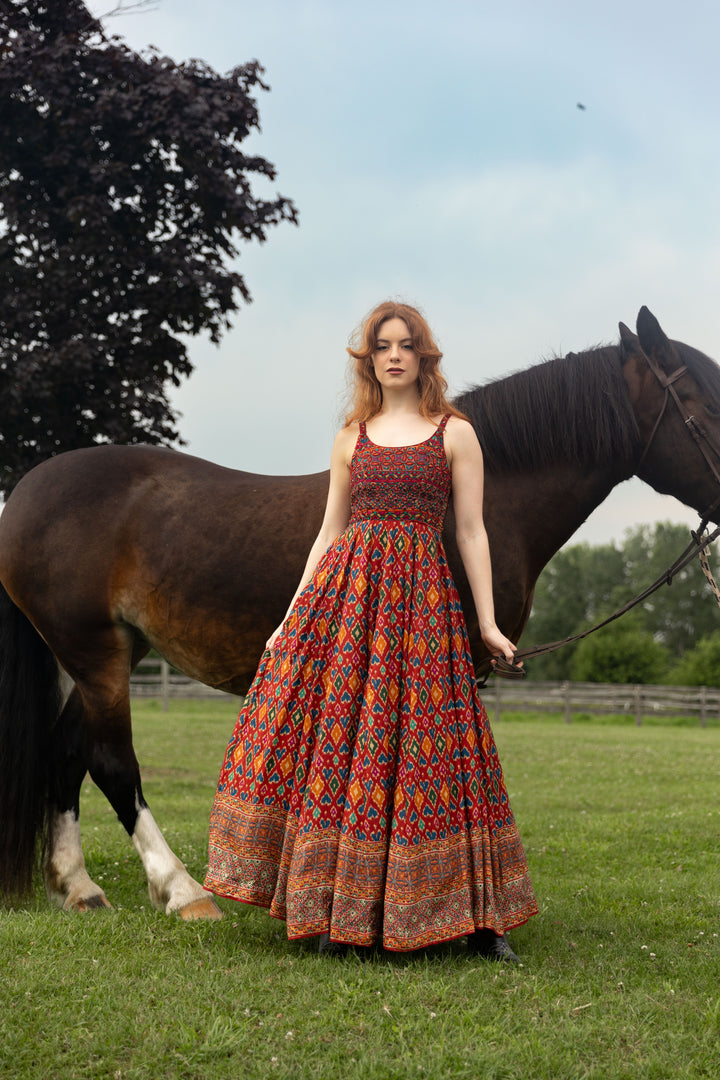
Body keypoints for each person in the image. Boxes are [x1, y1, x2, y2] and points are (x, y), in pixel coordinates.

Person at [205, 301, 537, 958]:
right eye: (381, 345)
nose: (393, 355)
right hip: (349, 607)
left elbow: (470, 530)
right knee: (343, 752)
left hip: (422, 608)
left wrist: (489, 622)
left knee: (437, 752)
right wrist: (288, 618)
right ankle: (337, 911)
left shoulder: (455, 433)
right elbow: (329, 534)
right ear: (369, 359)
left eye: (405, 345)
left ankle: (475, 916)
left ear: (422, 357)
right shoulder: (350, 436)